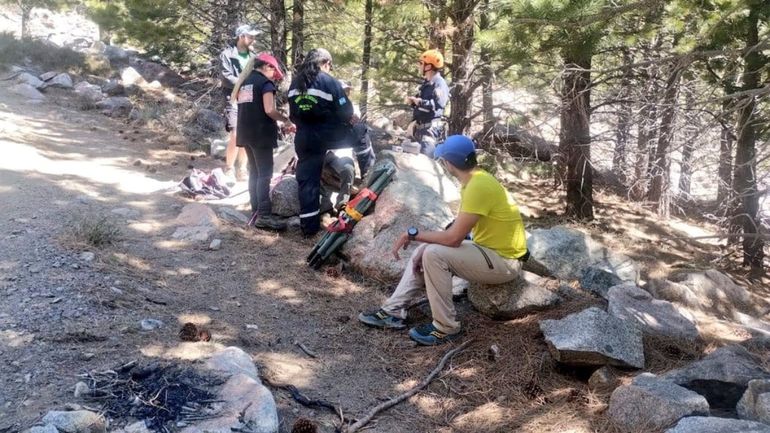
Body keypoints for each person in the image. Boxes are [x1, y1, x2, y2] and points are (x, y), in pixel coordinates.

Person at [358, 135, 529, 346]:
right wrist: (425, 241)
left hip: (505, 261)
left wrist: (412, 234)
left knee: (433, 253)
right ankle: (392, 311)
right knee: (427, 249)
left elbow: (453, 238)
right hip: (491, 251)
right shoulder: (475, 180)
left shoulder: (478, 185)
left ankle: (445, 327)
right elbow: (458, 232)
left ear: (448, 163)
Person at [288, 48, 354, 237]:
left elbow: (292, 114)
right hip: (328, 136)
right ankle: (367, 173)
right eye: (329, 65)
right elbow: (346, 112)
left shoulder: (295, 82)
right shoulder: (329, 81)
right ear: (325, 63)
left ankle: (308, 227)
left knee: (308, 181)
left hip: (303, 137)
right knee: (361, 132)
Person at [231, 52, 291, 231]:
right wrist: (285, 120)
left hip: (245, 133)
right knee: (264, 173)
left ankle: (255, 210)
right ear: (268, 66)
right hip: (261, 133)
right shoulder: (265, 84)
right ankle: (264, 215)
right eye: (275, 72)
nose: (275, 76)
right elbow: (269, 110)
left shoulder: (245, 82)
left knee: (254, 172)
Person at [219, 24, 258, 182]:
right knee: (235, 134)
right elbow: (225, 76)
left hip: (249, 99)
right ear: (241, 37)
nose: (253, 39)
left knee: (247, 134)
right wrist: (244, 84)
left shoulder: (254, 56)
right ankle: (229, 168)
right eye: (250, 36)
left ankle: (242, 169)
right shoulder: (227, 55)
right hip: (233, 98)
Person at [405, 49, 449, 158]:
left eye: (421, 63)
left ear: (429, 66)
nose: (419, 66)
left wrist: (420, 102)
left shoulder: (439, 84)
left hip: (429, 131)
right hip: (419, 130)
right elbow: (423, 106)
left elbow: (438, 105)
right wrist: (414, 102)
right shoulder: (426, 83)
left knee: (425, 163)